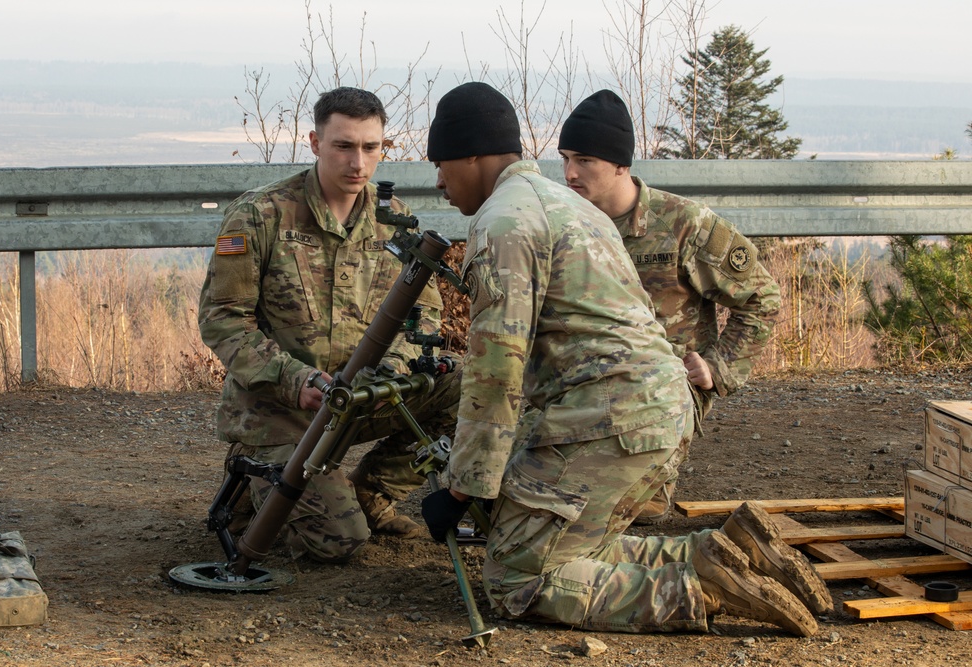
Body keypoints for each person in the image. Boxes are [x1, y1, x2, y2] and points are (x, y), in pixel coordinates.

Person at [419, 81, 828, 636]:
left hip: (610, 421)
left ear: (471, 154)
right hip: (652, 412)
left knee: (516, 577)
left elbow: (497, 374)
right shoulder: (566, 205)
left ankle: (700, 591)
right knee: (580, 546)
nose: (438, 181)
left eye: (441, 163)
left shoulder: (505, 224)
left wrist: (462, 487)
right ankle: (725, 550)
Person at [198, 87, 459, 563]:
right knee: (339, 543)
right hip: (284, 407)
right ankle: (253, 471)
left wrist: (395, 367)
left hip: (357, 398)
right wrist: (294, 380)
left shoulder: (393, 220)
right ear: (315, 143)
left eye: (370, 148)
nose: (358, 163)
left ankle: (370, 493)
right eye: (343, 146)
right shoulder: (262, 215)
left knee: (465, 382)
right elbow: (222, 319)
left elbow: (426, 312)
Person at [558, 89, 782, 524]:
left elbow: (762, 298)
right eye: (565, 158)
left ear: (622, 164)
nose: (569, 172)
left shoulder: (683, 225)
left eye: (585, 161)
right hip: (584, 384)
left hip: (662, 396)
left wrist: (717, 368)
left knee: (619, 511)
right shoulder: (566, 222)